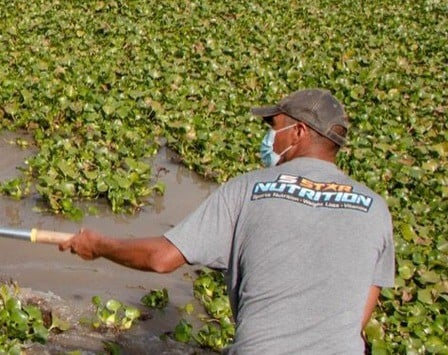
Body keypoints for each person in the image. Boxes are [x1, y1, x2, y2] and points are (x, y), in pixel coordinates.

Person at [59, 89, 394, 353]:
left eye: (275, 128)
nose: (269, 138)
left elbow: (161, 259)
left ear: (299, 133)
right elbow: (359, 316)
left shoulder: (249, 188)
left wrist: (99, 245)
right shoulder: (376, 208)